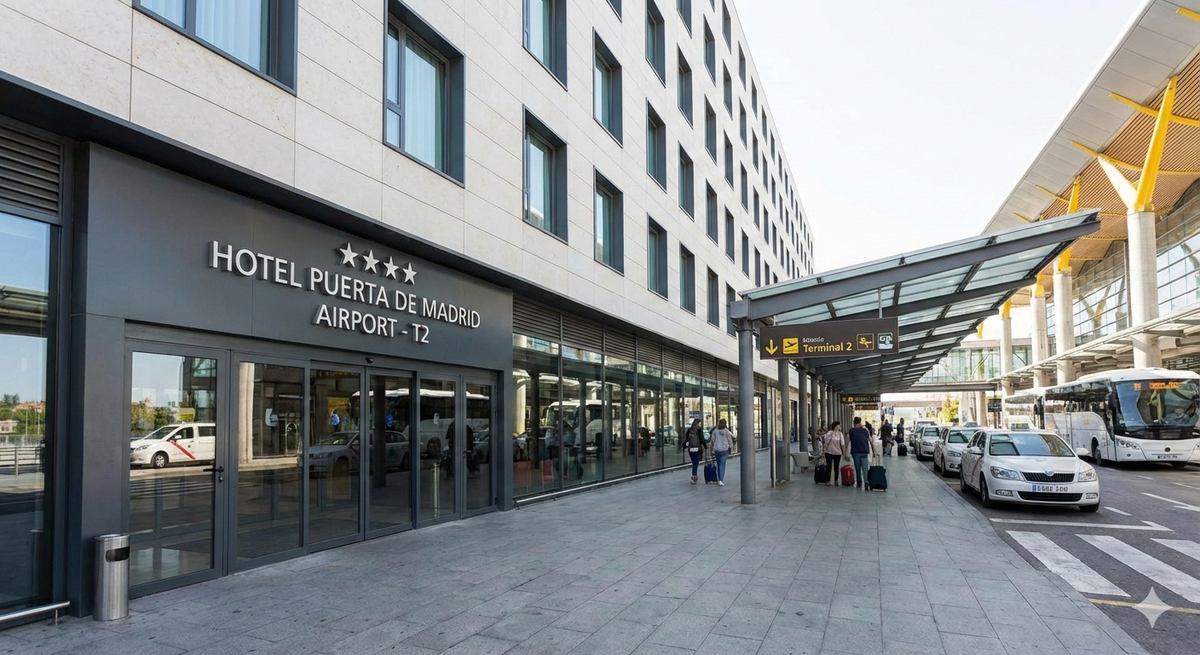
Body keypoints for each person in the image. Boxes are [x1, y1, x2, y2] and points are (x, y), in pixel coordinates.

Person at [847, 417, 875, 489]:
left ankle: (859, 482)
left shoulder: (851, 431)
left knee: (857, 468)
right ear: (860, 422)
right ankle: (866, 481)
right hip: (864, 451)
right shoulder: (865, 430)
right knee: (865, 467)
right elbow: (871, 441)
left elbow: (847, 441)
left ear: (854, 423)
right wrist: (874, 450)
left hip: (855, 452)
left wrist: (845, 453)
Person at [820, 422, 845, 487]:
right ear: (834, 427)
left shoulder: (840, 434)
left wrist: (844, 452)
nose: (838, 428)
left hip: (837, 453)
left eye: (839, 427)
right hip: (829, 452)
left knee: (836, 466)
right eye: (837, 427)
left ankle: (836, 480)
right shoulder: (829, 433)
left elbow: (842, 444)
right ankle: (827, 480)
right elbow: (825, 443)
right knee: (829, 466)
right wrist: (823, 452)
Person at [710, 418, 733, 486]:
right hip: (725, 450)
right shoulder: (727, 432)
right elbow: (730, 440)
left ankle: (719, 478)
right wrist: (730, 447)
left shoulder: (715, 431)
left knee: (718, 464)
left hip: (717, 450)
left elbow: (712, 440)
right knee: (722, 465)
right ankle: (721, 480)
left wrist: (711, 449)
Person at [684, 419, 706, 484]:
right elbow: (702, 440)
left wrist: (685, 445)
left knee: (694, 463)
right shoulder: (699, 430)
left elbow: (686, 439)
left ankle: (694, 476)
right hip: (697, 449)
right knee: (695, 463)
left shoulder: (689, 430)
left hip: (691, 449)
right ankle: (694, 476)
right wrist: (705, 446)